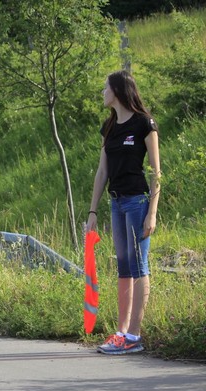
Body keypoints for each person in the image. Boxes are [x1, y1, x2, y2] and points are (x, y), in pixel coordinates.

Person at [87, 70, 161, 355]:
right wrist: (93, 210)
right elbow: (102, 171)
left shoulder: (144, 123)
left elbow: (156, 172)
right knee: (123, 267)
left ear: (117, 91)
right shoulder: (109, 127)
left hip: (137, 202)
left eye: (105, 88)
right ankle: (121, 333)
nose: (103, 92)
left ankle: (134, 335)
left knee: (139, 266)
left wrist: (152, 212)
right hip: (116, 203)